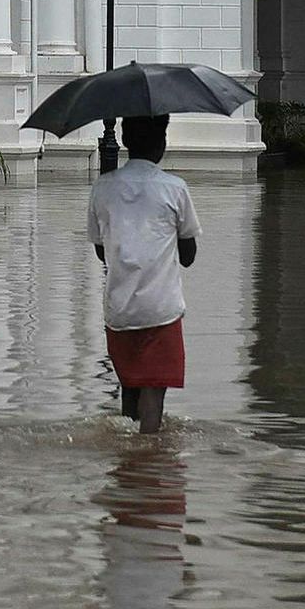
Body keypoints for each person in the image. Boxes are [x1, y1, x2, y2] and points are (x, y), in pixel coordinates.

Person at [86, 115, 200, 434]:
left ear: (123, 140)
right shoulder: (175, 189)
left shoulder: (102, 188)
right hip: (160, 308)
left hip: (119, 309)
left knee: (130, 385)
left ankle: (128, 469)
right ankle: (148, 461)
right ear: (162, 142)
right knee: (154, 386)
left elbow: (100, 251)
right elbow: (189, 257)